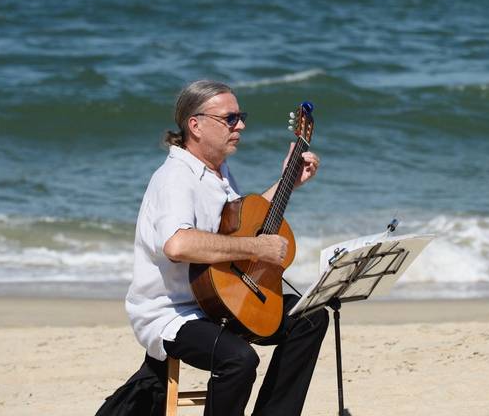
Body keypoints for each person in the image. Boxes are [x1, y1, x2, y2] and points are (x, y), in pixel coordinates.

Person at [97, 79, 328, 416]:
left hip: (221, 299)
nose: (241, 126)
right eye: (230, 119)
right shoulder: (176, 177)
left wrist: (287, 182)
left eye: (241, 116)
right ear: (196, 125)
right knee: (239, 359)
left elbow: (241, 225)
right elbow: (177, 244)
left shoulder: (218, 173)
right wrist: (257, 248)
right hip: (171, 312)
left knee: (309, 318)